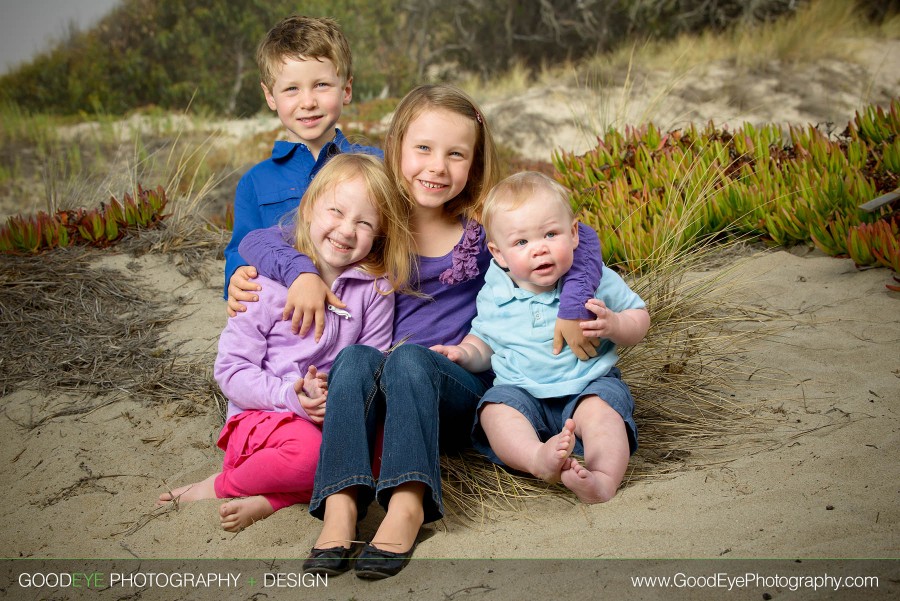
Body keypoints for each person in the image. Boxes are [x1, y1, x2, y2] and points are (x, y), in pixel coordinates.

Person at [237, 84, 603, 579]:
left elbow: (583, 240)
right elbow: (262, 239)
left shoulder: (480, 227)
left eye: (456, 154)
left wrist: (573, 305)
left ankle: (407, 504)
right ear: (397, 146)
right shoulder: (377, 214)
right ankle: (342, 504)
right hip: (381, 388)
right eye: (424, 149)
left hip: (453, 383)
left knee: (408, 359)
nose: (437, 167)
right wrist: (301, 273)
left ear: (473, 163)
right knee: (355, 359)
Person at [157, 153, 413, 532]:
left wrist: (333, 396)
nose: (346, 230)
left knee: (380, 459)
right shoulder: (260, 287)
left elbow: (371, 362)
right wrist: (291, 395)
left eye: (364, 222)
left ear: (380, 233)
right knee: (311, 457)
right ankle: (222, 485)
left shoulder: (376, 289)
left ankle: (273, 498)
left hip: (330, 416)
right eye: (337, 212)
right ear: (308, 209)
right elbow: (231, 372)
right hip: (265, 416)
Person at [432, 171, 650, 504]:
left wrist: (615, 324)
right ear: (499, 254)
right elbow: (485, 342)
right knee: (494, 410)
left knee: (603, 411)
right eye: (521, 242)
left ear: (574, 233)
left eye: (550, 233)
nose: (539, 249)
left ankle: (602, 480)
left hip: (587, 385)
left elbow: (641, 319)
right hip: (523, 393)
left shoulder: (595, 280)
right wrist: (464, 353)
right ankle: (537, 458)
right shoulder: (495, 293)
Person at [223, 15, 382, 310]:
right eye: (291, 89)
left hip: (361, 314)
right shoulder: (255, 182)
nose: (308, 102)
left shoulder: (376, 166)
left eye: (321, 85)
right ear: (270, 96)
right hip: (287, 319)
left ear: (346, 90)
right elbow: (242, 249)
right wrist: (235, 275)